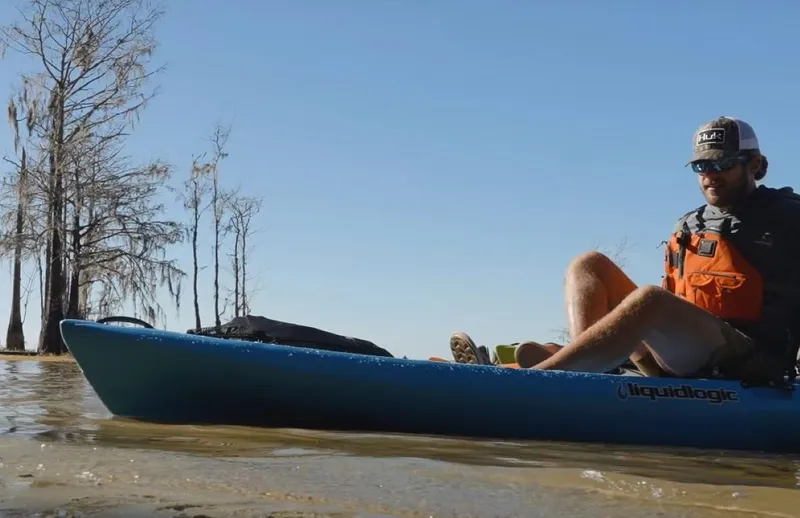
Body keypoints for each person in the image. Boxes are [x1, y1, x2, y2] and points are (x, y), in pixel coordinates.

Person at [449, 116, 800, 384]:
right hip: (678, 355)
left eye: (723, 164)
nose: (710, 174)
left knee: (650, 299)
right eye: (701, 166)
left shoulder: (788, 215)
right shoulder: (690, 223)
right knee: (588, 264)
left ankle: (539, 377)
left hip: (744, 358)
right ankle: (584, 369)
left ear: (755, 165)